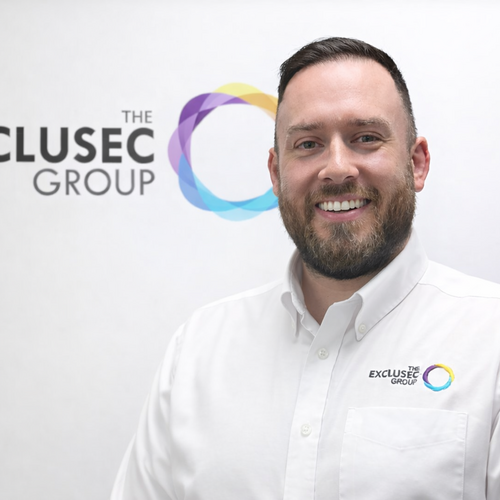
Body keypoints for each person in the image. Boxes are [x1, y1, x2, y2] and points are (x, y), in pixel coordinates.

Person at [111, 37, 500, 500]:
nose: (336, 168)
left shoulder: (489, 341)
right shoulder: (198, 350)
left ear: (416, 163)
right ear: (276, 173)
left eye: (366, 138)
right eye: (308, 144)